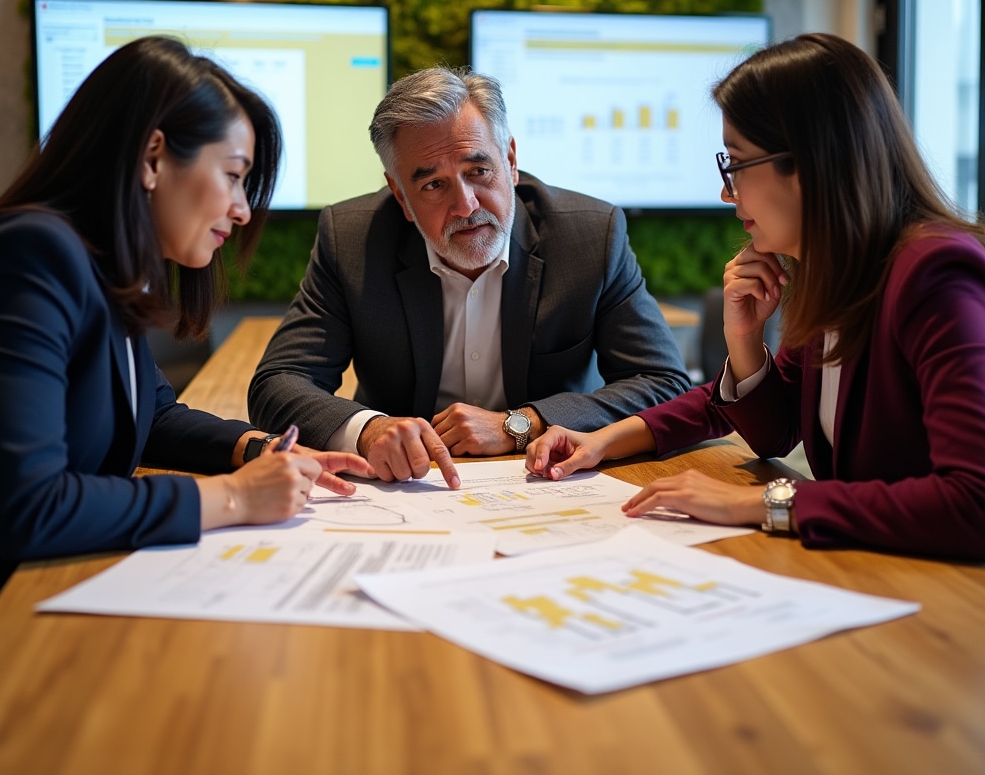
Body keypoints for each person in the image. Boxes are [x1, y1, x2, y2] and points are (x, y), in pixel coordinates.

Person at [0, 36, 374, 639]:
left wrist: (258, 450)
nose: (240, 210)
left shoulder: (95, 264)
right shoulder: (31, 257)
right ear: (152, 158)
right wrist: (234, 499)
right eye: (234, 176)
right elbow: (30, 508)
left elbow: (149, 414)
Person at [525, 33, 985, 560]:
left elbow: (972, 502)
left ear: (810, 163)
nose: (727, 192)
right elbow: (774, 431)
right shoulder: (839, 271)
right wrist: (608, 437)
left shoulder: (933, 274)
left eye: (736, 164)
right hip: (869, 569)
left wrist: (762, 503)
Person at [248, 66, 691, 489]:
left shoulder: (591, 235)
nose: (466, 206)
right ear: (400, 194)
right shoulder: (351, 238)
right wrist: (369, 430)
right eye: (432, 185)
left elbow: (663, 383)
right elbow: (278, 383)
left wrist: (520, 424)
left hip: (548, 482)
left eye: (479, 172)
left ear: (511, 162)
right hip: (409, 487)